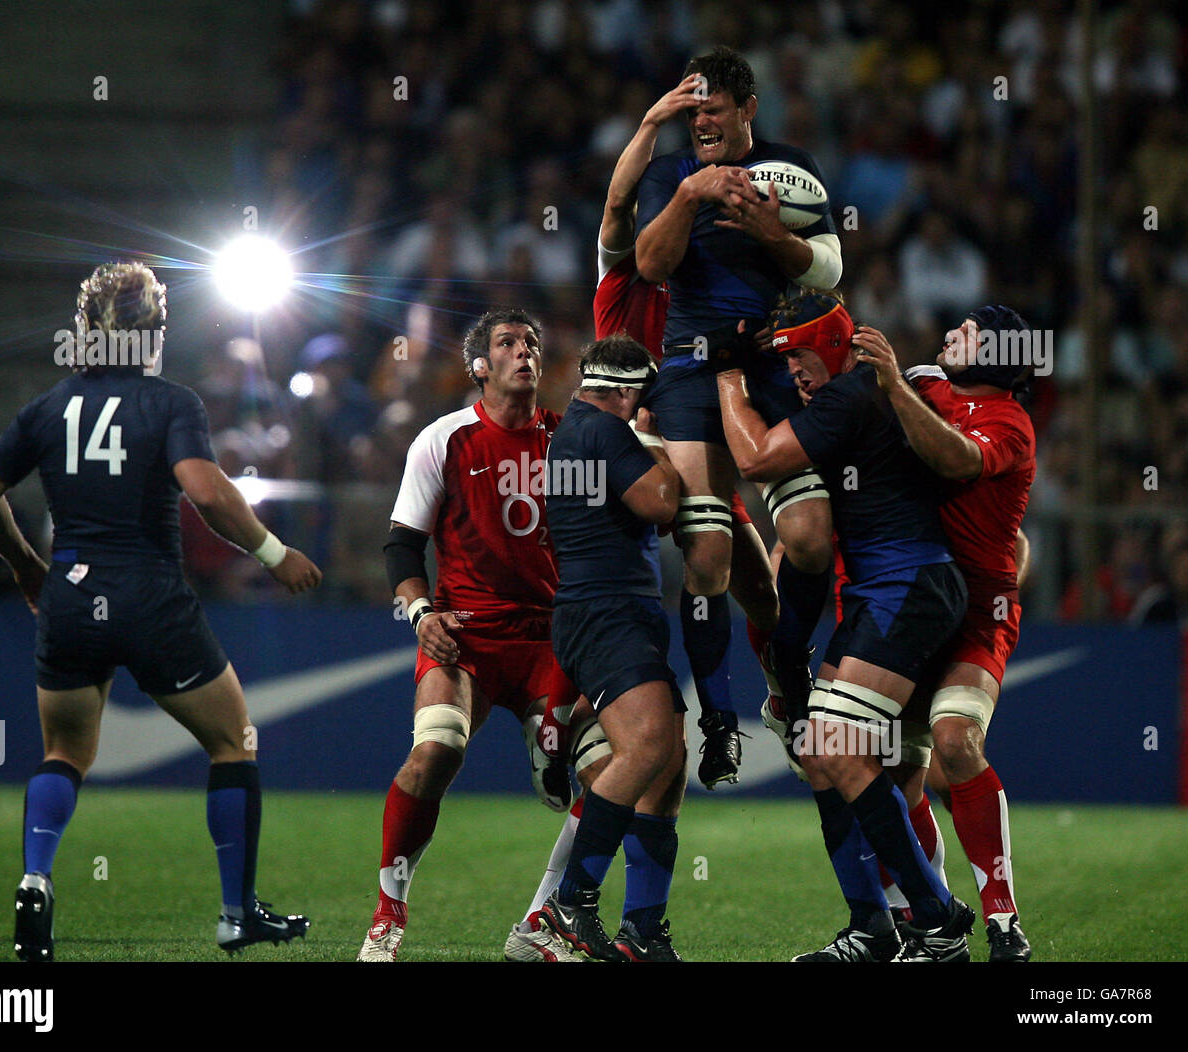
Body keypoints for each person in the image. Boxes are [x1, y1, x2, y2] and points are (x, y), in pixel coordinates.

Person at [0, 262, 320, 961]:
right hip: (149, 597)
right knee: (233, 741)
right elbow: (207, 494)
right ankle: (236, 912)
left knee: (63, 754)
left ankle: (35, 878)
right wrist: (276, 554)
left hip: (67, 595)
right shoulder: (170, 404)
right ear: (153, 333)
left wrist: (27, 565)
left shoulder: (47, 407)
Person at [716, 289, 976, 962]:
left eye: (801, 353)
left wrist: (726, 381)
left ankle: (937, 916)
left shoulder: (850, 395)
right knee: (819, 753)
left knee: (832, 746)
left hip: (909, 583)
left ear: (832, 343)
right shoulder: (852, 394)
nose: (795, 370)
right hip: (882, 588)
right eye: (786, 359)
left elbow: (756, 459)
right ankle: (870, 925)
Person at [359, 308, 610, 963]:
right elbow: (401, 546)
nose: (525, 351)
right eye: (508, 343)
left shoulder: (570, 441)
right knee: (435, 752)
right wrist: (422, 615)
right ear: (479, 366)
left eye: (532, 341)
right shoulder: (443, 439)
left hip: (552, 644)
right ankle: (388, 916)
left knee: (613, 775)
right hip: (465, 638)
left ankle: (539, 921)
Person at [633, 47, 842, 774]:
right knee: (709, 552)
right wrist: (691, 198)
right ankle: (718, 723)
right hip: (693, 364)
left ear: (747, 109)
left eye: (712, 111)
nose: (701, 125)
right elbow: (651, 265)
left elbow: (830, 269)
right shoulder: (673, 175)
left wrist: (770, 233)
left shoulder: (793, 168)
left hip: (775, 363)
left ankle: (788, 678)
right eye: (692, 114)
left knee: (812, 540)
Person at [851, 306, 1038, 962]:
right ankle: (930, 924)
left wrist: (895, 386)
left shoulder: (1010, 423)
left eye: (968, 331)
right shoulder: (926, 381)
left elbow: (956, 460)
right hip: (912, 604)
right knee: (888, 776)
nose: (951, 335)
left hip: (978, 614)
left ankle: (1003, 921)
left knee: (957, 740)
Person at [538, 334, 686, 962]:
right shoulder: (603, 430)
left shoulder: (576, 431)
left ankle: (643, 930)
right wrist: (655, 443)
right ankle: (568, 903)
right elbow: (661, 503)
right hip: (607, 611)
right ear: (627, 391)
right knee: (650, 743)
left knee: (667, 760)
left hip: (604, 609)